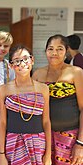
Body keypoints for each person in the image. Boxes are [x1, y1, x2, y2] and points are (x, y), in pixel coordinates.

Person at [32, 34, 83, 164]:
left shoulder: (76, 72)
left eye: (59, 48)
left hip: (71, 137)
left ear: (66, 51)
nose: (54, 53)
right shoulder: (37, 74)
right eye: (50, 49)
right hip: (43, 137)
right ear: (45, 51)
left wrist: (80, 143)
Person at [0, 44, 51, 165]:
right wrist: (1, 155)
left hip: (38, 144)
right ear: (11, 65)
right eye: (17, 61)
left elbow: (46, 121)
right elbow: (2, 123)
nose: (22, 64)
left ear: (32, 60)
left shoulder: (43, 88)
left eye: (25, 59)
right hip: (13, 143)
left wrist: (48, 154)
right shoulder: (4, 89)